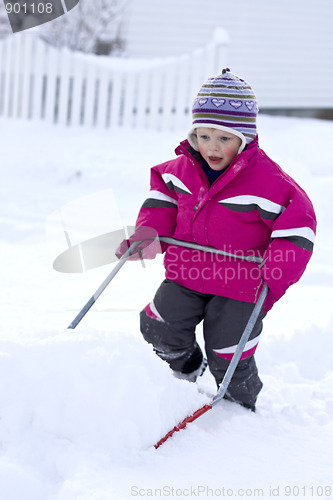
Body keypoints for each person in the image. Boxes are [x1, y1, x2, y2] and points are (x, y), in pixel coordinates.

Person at [116, 69, 316, 411]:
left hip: (241, 281)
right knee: (158, 325)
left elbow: (298, 226)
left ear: (245, 138)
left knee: (228, 348)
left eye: (224, 138)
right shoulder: (177, 171)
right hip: (187, 273)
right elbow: (161, 203)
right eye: (204, 135)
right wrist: (148, 234)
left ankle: (240, 404)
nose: (212, 147)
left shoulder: (270, 183)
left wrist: (277, 269)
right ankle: (186, 370)